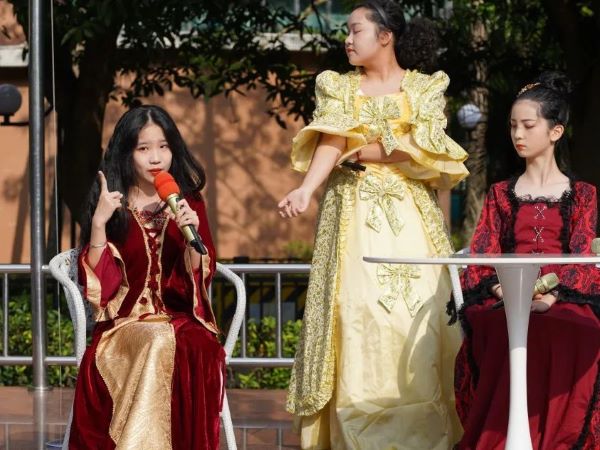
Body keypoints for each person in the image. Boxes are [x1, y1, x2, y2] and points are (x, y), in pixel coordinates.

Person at [278, 1, 469, 448]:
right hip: (352, 214)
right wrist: (305, 189)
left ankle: (426, 434)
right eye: (347, 31)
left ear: (386, 36)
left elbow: (423, 145)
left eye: (356, 30)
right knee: (356, 309)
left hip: (410, 217)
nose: (347, 39)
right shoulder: (338, 86)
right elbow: (332, 140)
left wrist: (362, 150)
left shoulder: (424, 87)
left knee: (418, 311)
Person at [454, 72, 600, 449]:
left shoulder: (583, 194)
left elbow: (582, 255)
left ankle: (557, 439)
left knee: (573, 328)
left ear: (555, 131)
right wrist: (507, 292)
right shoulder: (500, 193)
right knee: (494, 326)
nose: (518, 134)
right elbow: (482, 253)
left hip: (562, 296)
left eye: (528, 125)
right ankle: (502, 437)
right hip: (505, 294)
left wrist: (549, 298)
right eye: (512, 125)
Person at [71, 105, 224, 450]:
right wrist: (99, 223)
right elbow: (100, 288)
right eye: (144, 148)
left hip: (180, 318)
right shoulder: (112, 202)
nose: (156, 157)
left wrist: (192, 235)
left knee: (193, 343)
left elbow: (200, 276)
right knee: (156, 339)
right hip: (124, 323)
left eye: (163, 146)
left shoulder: (188, 202)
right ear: (127, 153)